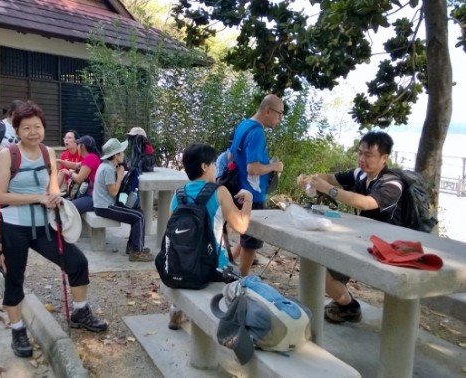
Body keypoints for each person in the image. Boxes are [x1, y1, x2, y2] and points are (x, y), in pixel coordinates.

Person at [0, 101, 107, 358]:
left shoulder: (47, 154)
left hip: (44, 224)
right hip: (13, 226)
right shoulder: (7, 155)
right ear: (17, 130)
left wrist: (54, 195)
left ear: (43, 128)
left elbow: (52, 187)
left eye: (37, 127)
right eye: (26, 128)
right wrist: (38, 197)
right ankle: (18, 329)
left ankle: (80, 311)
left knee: (77, 262)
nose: (33, 132)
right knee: (15, 279)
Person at [297, 131, 403, 324]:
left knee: (321, 272)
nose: (362, 159)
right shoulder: (359, 174)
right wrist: (311, 179)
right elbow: (330, 177)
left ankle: (347, 306)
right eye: (360, 153)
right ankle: (348, 306)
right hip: (361, 240)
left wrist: (329, 190)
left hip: (388, 249)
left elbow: (365, 203)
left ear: (384, 158)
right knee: (319, 268)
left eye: (368, 155)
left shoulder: (392, 184)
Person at [168, 143, 254, 330]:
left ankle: (176, 308)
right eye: (214, 163)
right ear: (204, 166)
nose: (216, 167)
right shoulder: (219, 191)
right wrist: (248, 200)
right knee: (246, 283)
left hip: (179, 266)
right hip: (212, 269)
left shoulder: (178, 194)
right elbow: (242, 226)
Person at [229, 94, 285, 276]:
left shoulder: (244, 125)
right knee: (250, 244)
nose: (280, 119)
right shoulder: (257, 132)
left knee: (246, 236)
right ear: (268, 111)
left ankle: (226, 264)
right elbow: (252, 169)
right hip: (253, 196)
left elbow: (231, 156)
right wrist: (274, 166)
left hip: (238, 190)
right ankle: (242, 281)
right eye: (279, 113)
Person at [92, 138, 153, 262]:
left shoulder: (107, 166)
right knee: (138, 217)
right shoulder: (108, 169)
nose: (123, 154)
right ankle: (136, 252)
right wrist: (120, 176)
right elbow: (113, 191)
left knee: (138, 212)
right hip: (105, 207)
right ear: (115, 155)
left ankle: (133, 246)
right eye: (121, 152)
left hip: (104, 204)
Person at [69, 135, 101, 213]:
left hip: (94, 197)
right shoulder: (93, 157)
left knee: (69, 208)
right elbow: (75, 165)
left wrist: (71, 173)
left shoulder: (90, 158)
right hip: (92, 195)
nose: (77, 147)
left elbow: (79, 179)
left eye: (78, 145)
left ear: (82, 146)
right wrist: (58, 160)